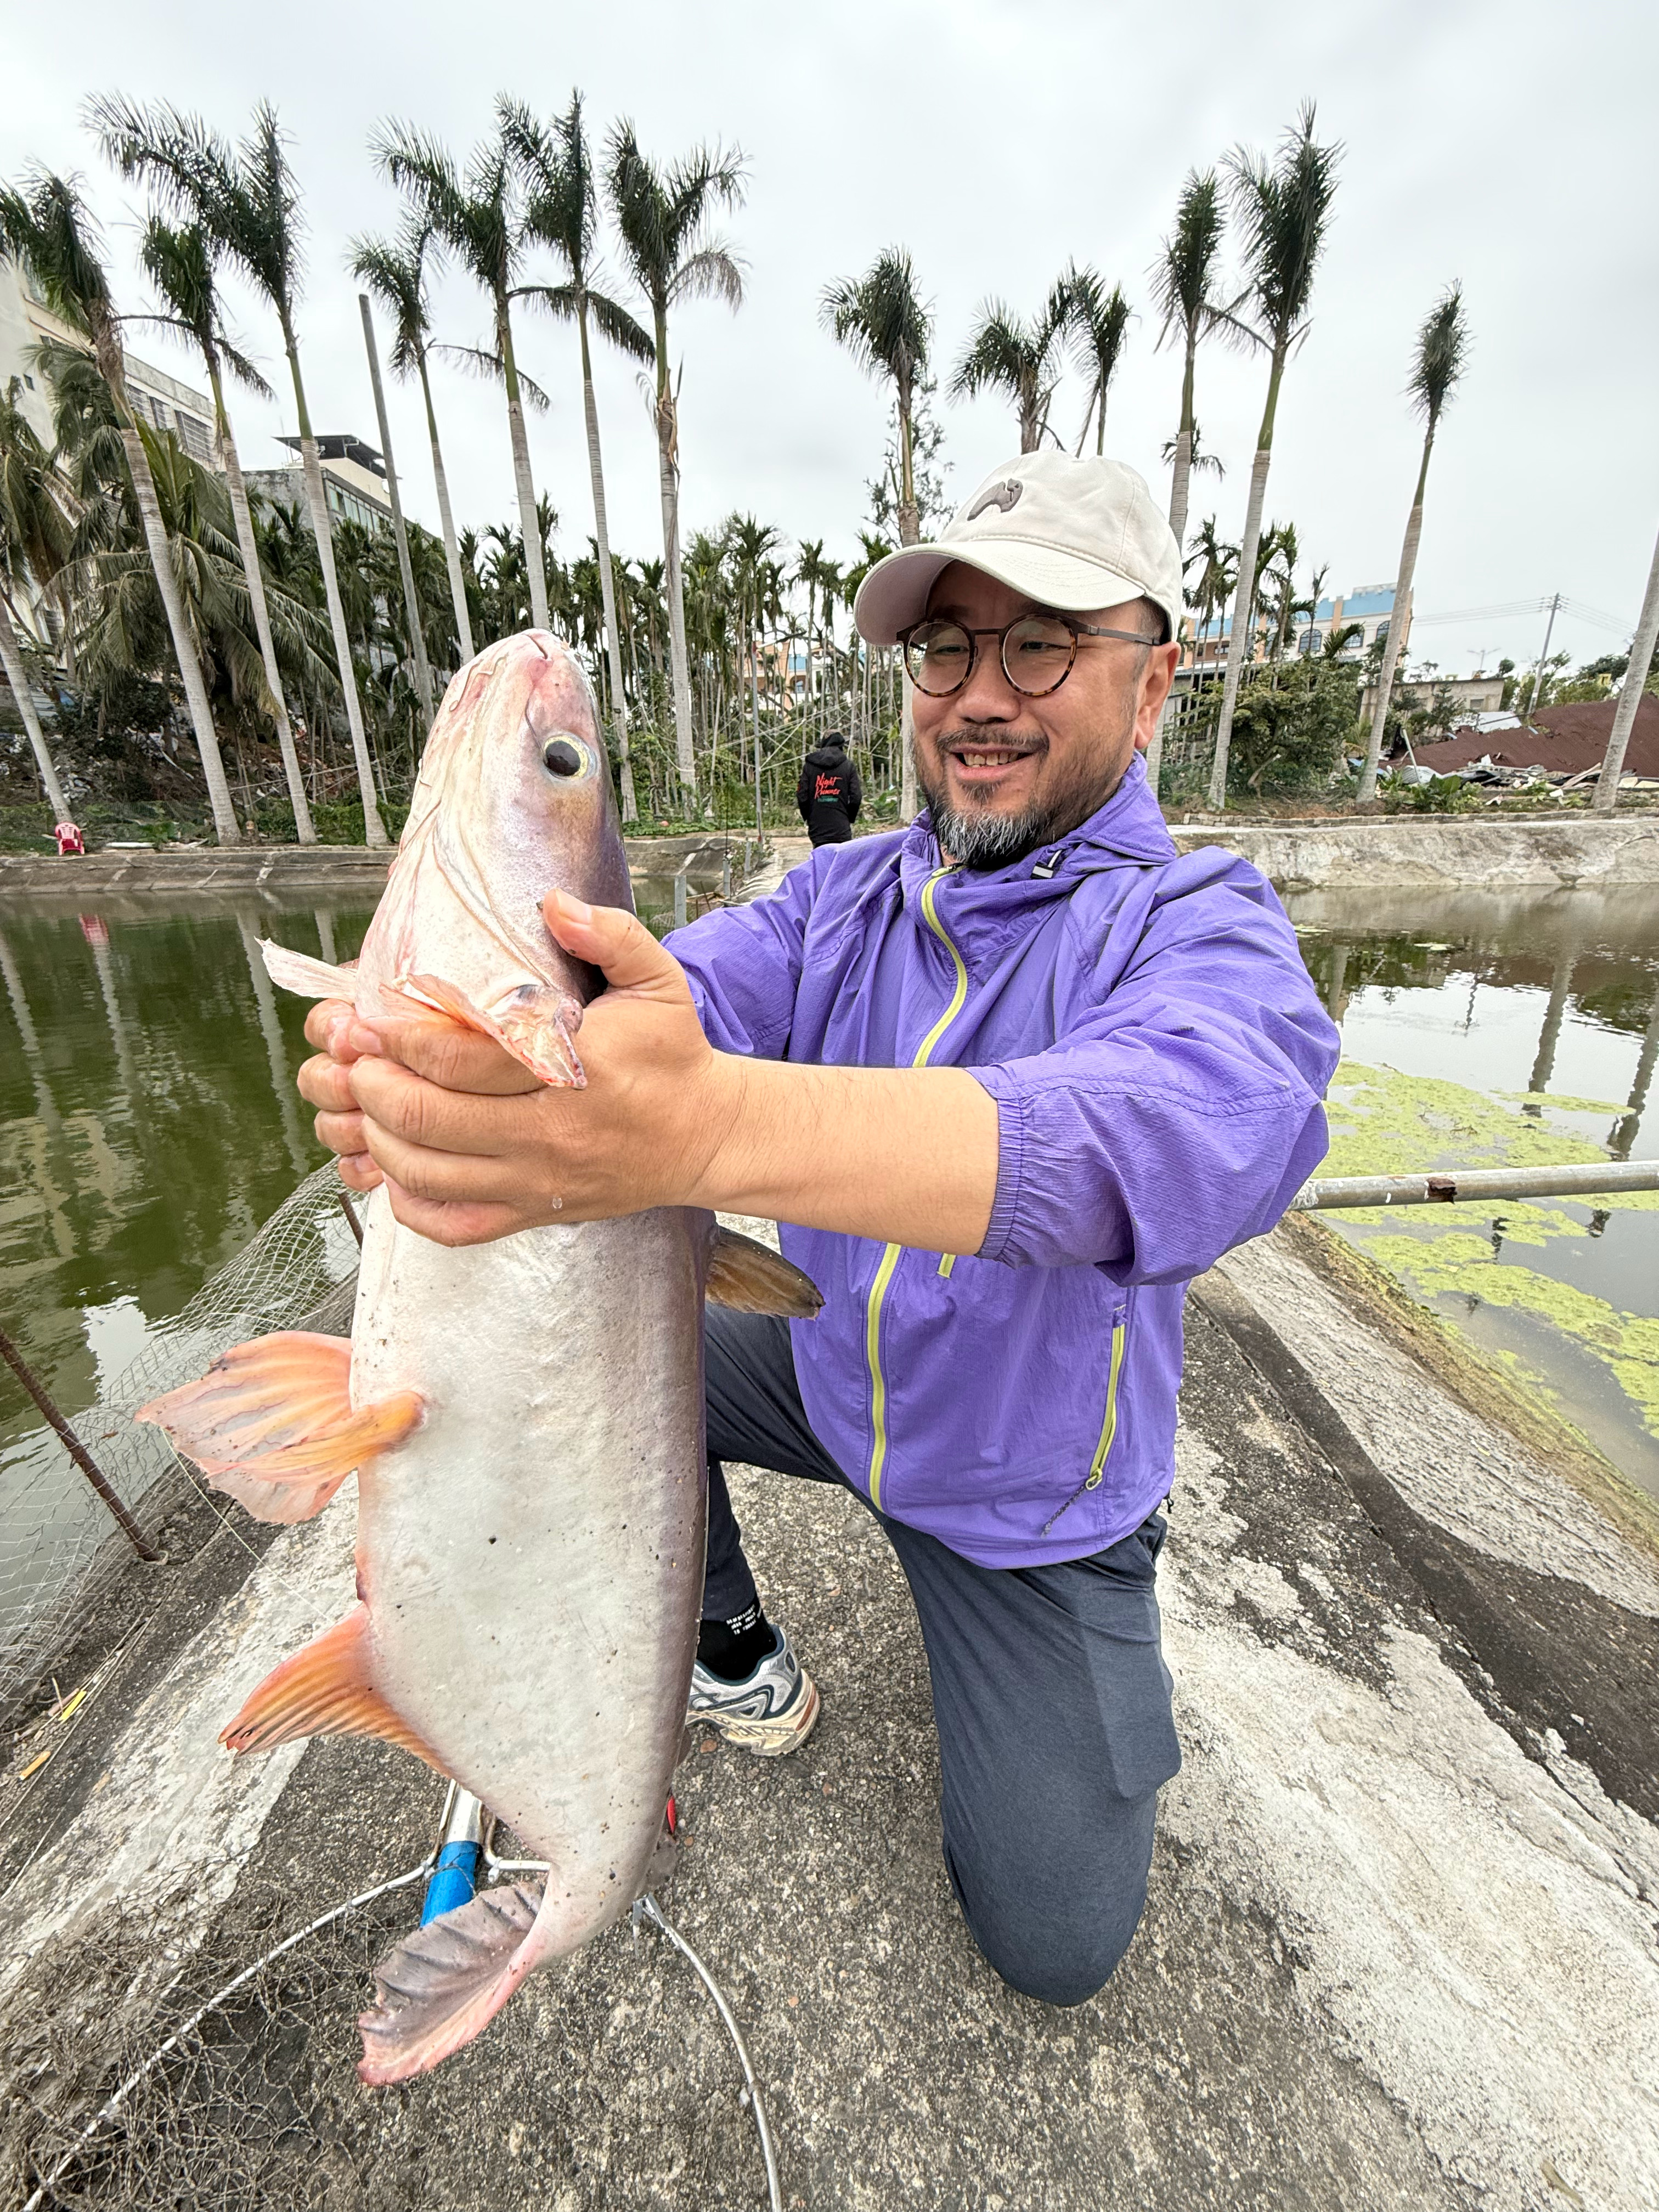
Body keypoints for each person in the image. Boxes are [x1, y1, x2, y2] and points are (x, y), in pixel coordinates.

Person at [297, 451, 1340, 2008]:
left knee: (1057, 1941)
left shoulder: (1199, 924)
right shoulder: (841, 898)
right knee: (620, 1359)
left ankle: (1044, 1671)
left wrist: (705, 1129)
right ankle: (723, 1646)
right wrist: (466, 1085)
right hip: (822, 1383)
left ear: (1155, 683)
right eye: (947, 648)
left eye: (1041, 643)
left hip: (1023, 1492)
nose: (980, 693)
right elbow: (654, 1002)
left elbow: (1190, 1134)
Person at [796, 730, 861, 845]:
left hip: (817, 830)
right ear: (841, 746)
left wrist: (809, 818)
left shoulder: (810, 767)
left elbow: (802, 796)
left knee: (821, 862)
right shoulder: (848, 766)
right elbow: (856, 797)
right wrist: (848, 818)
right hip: (841, 829)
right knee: (841, 863)